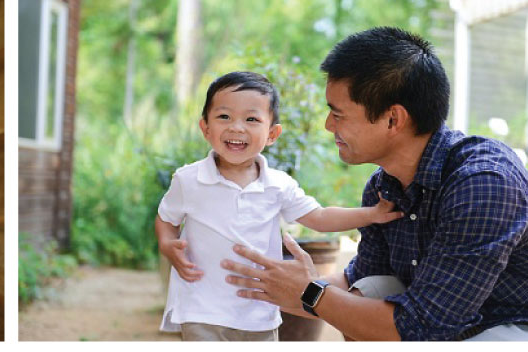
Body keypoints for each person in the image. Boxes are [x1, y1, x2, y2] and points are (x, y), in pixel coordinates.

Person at [222, 27, 528, 341]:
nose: (328, 126)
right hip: (467, 321)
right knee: (367, 289)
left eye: (338, 114)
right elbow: (357, 280)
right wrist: (270, 284)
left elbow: (424, 329)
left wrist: (309, 292)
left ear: (393, 120)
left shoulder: (484, 184)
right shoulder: (384, 188)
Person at [155, 71, 403, 341]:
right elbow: (166, 218)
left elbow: (319, 217)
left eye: (251, 119)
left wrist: (372, 214)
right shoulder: (189, 179)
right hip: (202, 310)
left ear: (272, 134)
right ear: (205, 128)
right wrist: (168, 244)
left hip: (259, 313)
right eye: (224, 117)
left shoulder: (278, 185)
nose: (236, 127)